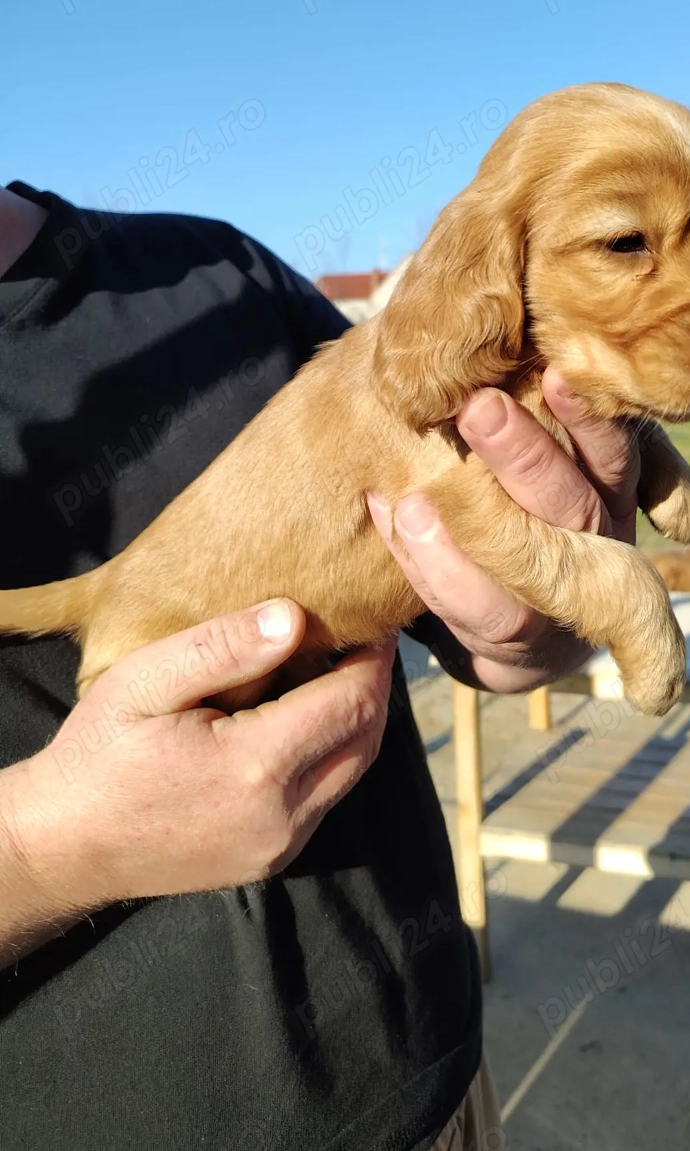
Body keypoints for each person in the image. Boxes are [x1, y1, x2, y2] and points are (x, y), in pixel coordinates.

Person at [0, 180, 643, 1150]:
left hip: (431, 1079)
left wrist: (536, 625)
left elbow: (479, 626)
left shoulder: (227, 271)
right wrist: (42, 853)